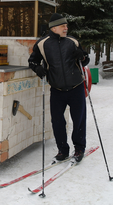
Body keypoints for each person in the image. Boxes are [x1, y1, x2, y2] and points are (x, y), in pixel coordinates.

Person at [28, 13, 90, 162]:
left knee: (79, 120)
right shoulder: (42, 44)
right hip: (57, 90)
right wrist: (38, 69)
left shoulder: (72, 41)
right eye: (63, 26)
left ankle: (79, 149)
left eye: (66, 26)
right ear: (54, 28)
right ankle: (62, 150)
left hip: (76, 88)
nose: (66, 28)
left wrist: (82, 56)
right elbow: (32, 61)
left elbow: (85, 60)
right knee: (57, 122)